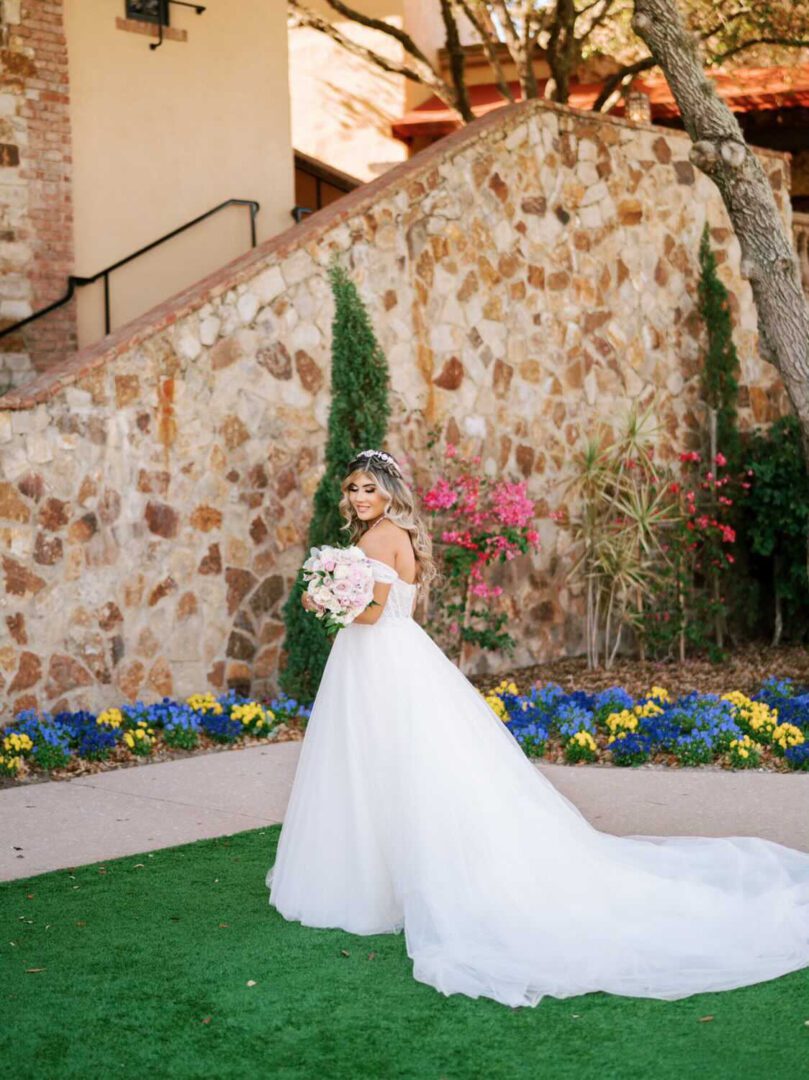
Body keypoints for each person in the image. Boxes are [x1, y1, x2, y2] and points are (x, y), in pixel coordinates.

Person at [266, 448, 809, 1009]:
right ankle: (388, 874)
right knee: (395, 766)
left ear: (389, 494)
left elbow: (375, 614)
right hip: (394, 659)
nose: (359, 497)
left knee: (378, 764)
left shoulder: (379, 538)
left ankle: (373, 883)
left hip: (378, 658)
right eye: (353, 488)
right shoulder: (396, 535)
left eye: (369, 489)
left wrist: (321, 600)